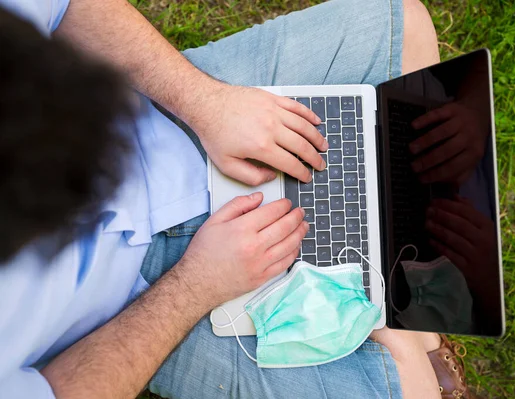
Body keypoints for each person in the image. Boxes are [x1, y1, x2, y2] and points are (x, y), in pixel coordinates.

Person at [0, 0, 471, 398]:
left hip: (167, 128)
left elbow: (64, 6)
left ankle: (398, 311)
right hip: (129, 311)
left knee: (404, 26)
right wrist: (194, 288)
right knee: (415, 387)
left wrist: (206, 103)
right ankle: (400, 313)